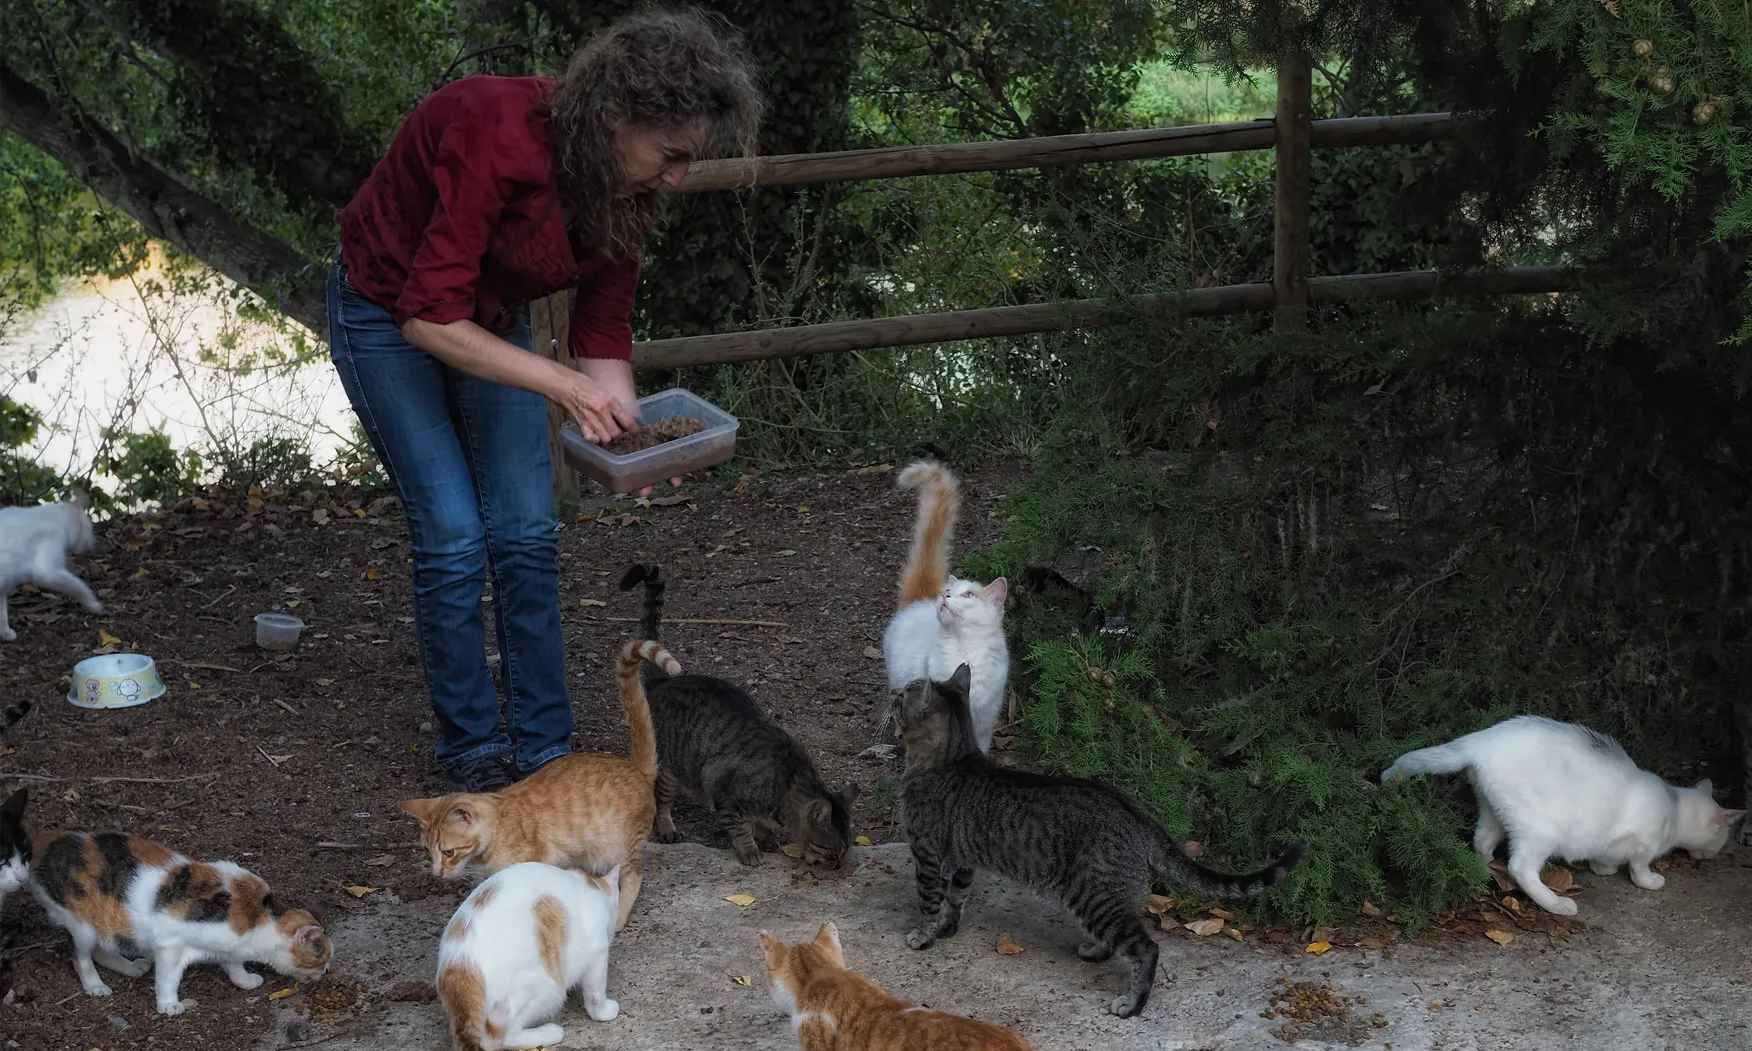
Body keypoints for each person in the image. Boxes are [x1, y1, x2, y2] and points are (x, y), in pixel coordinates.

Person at [327, 9, 764, 793]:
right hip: (389, 310)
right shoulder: (491, 129)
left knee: (527, 531)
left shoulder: (625, 192)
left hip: (486, 321)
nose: (676, 176)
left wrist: (633, 440)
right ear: (616, 114)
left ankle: (544, 745)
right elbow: (429, 316)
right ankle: (470, 747)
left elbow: (602, 328)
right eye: (670, 155)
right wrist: (565, 386)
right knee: (456, 535)